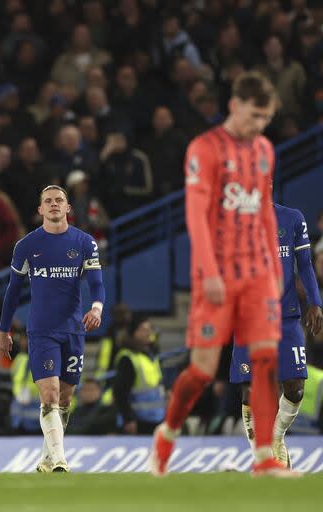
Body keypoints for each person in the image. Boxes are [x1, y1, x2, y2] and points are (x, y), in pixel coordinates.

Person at [149, 71, 296, 477]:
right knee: (201, 371)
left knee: (267, 359)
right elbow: (195, 214)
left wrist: (274, 266)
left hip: (258, 275)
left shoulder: (265, 149)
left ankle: (265, 457)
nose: (260, 126)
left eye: (266, 119)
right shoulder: (205, 148)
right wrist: (209, 271)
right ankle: (167, 434)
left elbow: (264, 211)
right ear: (234, 106)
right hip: (216, 275)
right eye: (254, 116)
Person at [0, 184, 105, 473]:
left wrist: (96, 308)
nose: (54, 204)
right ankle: (60, 459)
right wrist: (3, 330)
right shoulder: (27, 246)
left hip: (73, 331)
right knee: (50, 394)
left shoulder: (84, 243)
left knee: (66, 398)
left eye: (60, 200)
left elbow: (96, 282)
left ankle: (46, 458)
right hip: (41, 331)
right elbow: (12, 292)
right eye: (48, 201)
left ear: (68, 208)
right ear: (40, 210)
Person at [229, 203, 323, 468]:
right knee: (250, 389)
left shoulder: (292, 218)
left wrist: (316, 302)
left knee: (295, 387)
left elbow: (304, 265)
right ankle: (264, 460)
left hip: (286, 315)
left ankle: (275, 436)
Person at [113, 315, 165, 435]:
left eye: (149, 329)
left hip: (156, 420)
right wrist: (128, 419)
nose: (147, 333)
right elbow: (120, 392)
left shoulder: (151, 356)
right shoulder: (127, 358)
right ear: (133, 332)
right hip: (137, 423)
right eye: (143, 329)